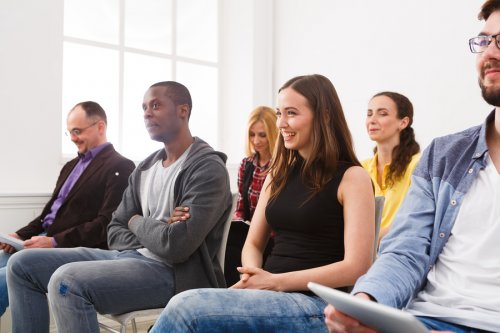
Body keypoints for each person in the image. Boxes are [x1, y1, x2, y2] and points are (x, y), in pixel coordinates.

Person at [149, 74, 375, 332]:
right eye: (279, 113)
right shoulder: (277, 176)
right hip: (269, 294)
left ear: (324, 115)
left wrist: (275, 282)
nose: (281, 123)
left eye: (291, 113)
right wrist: (254, 278)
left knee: (186, 308)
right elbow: (253, 244)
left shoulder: (352, 177)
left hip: (317, 305)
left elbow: (357, 266)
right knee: (186, 309)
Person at [325, 1, 500, 332]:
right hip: (428, 320)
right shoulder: (444, 156)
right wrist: (367, 302)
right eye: (483, 41)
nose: (489, 52)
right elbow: (405, 251)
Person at [6, 81, 232, 333]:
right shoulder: (146, 167)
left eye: (156, 105)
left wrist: (136, 222)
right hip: (130, 257)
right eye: (144, 107)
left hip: (175, 275)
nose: (147, 113)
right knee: (22, 265)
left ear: (183, 110)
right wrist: (157, 231)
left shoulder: (207, 168)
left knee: (66, 282)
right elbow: (114, 230)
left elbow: (177, 246)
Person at [0, 101, 135, 317]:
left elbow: (106, 225)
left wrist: (54, 242)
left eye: (78, 131)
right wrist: (18, 235)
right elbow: (47, 216)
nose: (73, 138)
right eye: (70, 132)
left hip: (73, 248)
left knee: (4, 278)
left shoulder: (120, 166)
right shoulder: (70, 166)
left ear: (100, 127)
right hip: (42, 242)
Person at [225, 106, 278, 285]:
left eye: (262, 135)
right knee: (228, 239)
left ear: (273, 134)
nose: (256, 140)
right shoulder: (246, 165)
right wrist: (240, 221)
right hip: (250, 231)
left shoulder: (281, 166)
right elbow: (241, 208)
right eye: (252, 135)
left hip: (272, 235)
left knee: (234, 245)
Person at [362, 92, 420, 242]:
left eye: (382, 114)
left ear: (403, 122)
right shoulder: (359, 169)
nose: (372, 120)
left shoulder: (418, 165)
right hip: (362, 254)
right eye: (369, 114)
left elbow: (412, 221)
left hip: (398, 253)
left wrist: (365, 242)